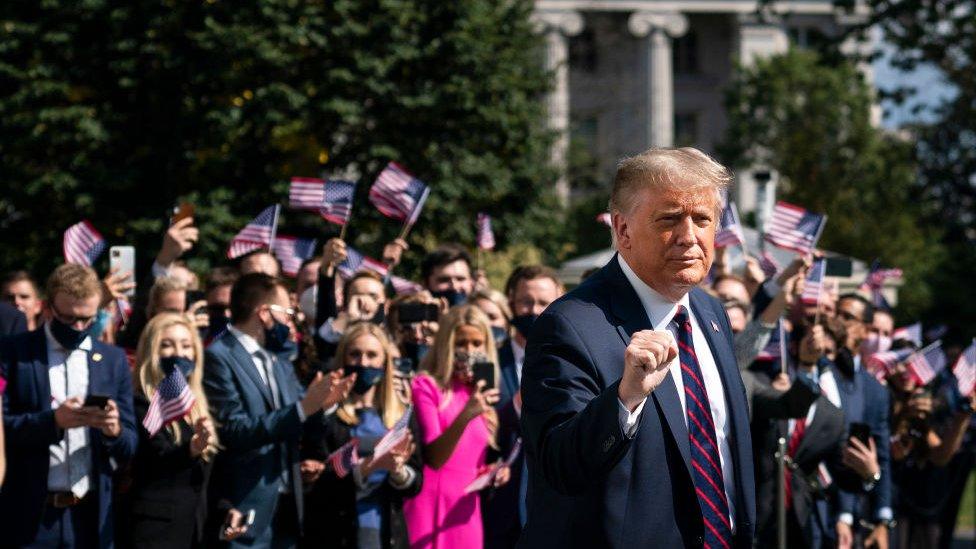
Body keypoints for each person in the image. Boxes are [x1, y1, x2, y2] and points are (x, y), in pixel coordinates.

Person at [519, 148, 755, 548]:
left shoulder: (711, 312)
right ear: (623, 229)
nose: (689, 236)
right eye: (669, 219)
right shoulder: (569, 325)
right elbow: (559, 466)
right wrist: (626, 399)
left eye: (702, 219)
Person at [203, 272, 356, 547]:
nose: (290, 321)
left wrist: (324, 407)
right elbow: (233, 431)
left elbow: (305, 424)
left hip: (288, 508)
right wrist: (303, 408)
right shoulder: (218, 356)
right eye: (286, 312)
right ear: (264, 313)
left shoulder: (279, 362)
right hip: (244, 507)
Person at [0, 263, 138, 547]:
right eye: (69, 319)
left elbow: (130, 444)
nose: (78, 327)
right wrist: (53, 422)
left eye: (87, 319)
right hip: (32, 516)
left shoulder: (112, 360)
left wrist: (114, 431)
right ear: (48, 308)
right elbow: (2, 429)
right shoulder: (14, 353)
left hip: (90, 515)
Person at [302, 322, 423, 548]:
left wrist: (398, 471)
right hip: (337, 530)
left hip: (386, 530)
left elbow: (415, 482)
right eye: (355, 354)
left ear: (384, 362)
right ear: (343, 358)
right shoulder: (328, 412)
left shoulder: (400, 414)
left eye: (372, 355)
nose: (363, 362)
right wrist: (368, 465)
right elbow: (318, 475)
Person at [405, 304, 510, 549]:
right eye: (461, 343)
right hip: (428, 506)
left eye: (477, 343)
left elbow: (472, 459)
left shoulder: (483, 395)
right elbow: (435, 457)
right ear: (446, 344)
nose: (469, 350)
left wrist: (492, 471)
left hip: (465, 512)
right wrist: (466, 415)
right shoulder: (427, 386)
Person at [126, 313, 224, 547]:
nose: (179, 353)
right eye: (167, 345)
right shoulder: (140, 404)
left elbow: (208, 477)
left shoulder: (201, 406)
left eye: (186, 345)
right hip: (156, 532)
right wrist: (191, 448)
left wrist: (226, 509)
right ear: (151, 352)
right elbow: (155, 459)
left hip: (196, 529)